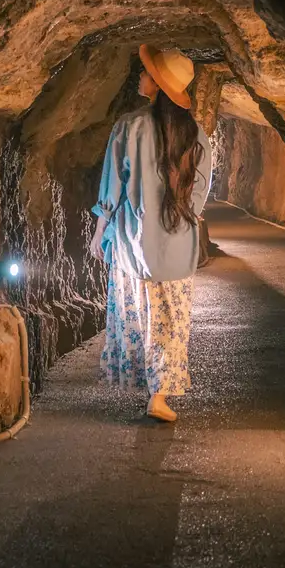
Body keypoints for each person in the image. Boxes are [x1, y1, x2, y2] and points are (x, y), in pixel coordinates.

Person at [92, 45, 212, 422]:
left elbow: (112, 188)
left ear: (156, 86)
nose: (140, 77)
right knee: (170, 320)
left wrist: (99, 231)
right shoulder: (196, 134)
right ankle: (158, 395)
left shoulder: (129, 127)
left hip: (133, 244)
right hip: (178, 247)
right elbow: (201, 190)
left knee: (140, 315)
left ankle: (145, 386)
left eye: (146, 73)